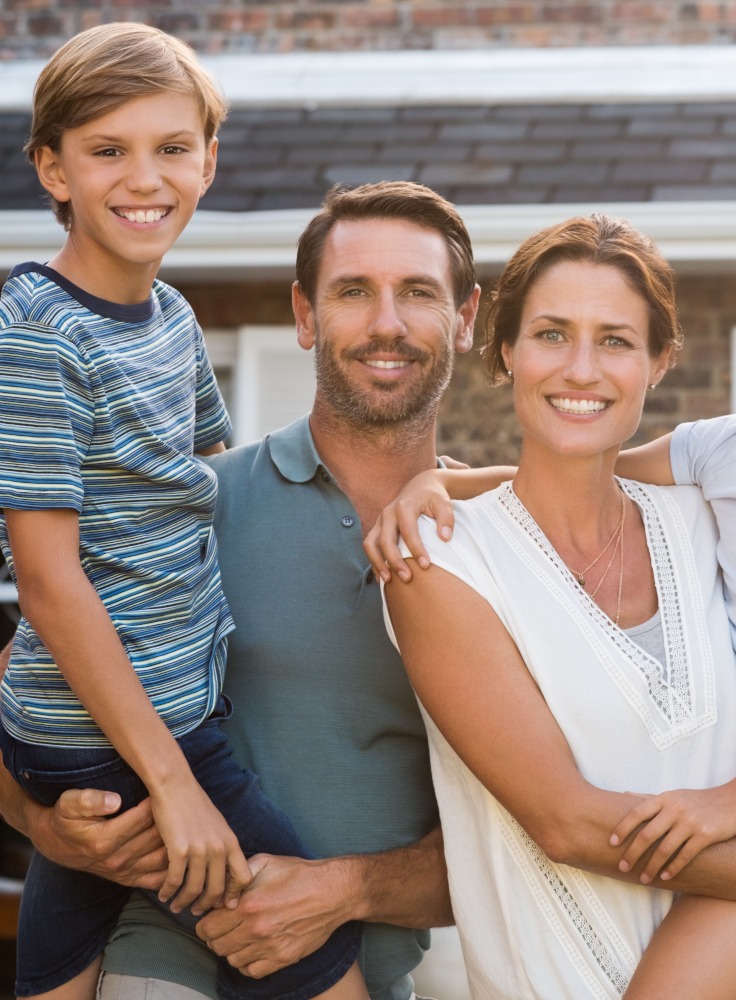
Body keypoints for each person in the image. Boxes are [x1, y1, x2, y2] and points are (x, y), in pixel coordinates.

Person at [371, 184, 736, 998]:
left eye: (614, 340)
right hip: (715, 871)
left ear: (659, 360)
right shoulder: (723, 460)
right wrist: (438, 485)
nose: (582, 368)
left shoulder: (734, 512)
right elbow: (564, 821)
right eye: (552, 334)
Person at [0, 180, 468, 1000]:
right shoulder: (200, 507)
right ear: (305, 315)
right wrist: (44, 825)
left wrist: (346, 890)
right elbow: (32, 681)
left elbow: (532, 837)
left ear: (466, 317)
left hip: (382, 968)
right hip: (161, 964)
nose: (386, 323)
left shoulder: (504, 546)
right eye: (353, 291)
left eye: (418, 293)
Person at [0, 24, 363, 1000]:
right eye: (106, 150)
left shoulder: (169, 316)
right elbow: (46, 577)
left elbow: (214, 477)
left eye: (170, 147)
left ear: (208, 159)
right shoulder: (36, 330)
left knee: (64, 950)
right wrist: (174, 785)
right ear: (52, 168)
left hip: (164, 705)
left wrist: (425, 483)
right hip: (119, 732)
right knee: (315, 956)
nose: (143, 176)